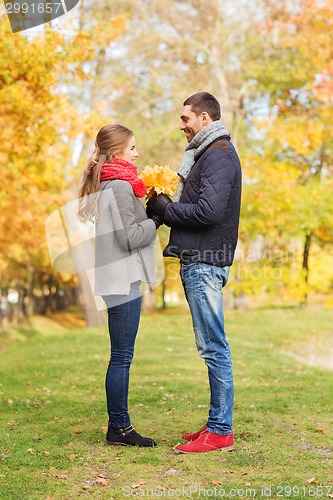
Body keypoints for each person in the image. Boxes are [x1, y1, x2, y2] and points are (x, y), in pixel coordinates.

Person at [147, 92, 242, 453]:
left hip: (205, 262)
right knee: (211, 345)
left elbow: (208, 212)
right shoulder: (209, 154)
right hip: (201, 260)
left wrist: (167, 209)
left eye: (186, 118)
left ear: (205, 118)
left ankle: (220, 430)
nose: (182, 125)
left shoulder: (217, 156)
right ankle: (216, 421)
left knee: (213, 346)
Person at [78, 124, 159, 447]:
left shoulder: (110, 183)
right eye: (133, 148)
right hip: (122, 278)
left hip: (115, 278)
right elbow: (130, 238)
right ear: (116, 153)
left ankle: (119, 427)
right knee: (122, 356)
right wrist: (156, 218)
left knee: (120, 354)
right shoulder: (120, 188)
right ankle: (120, 429)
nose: (138, 154)